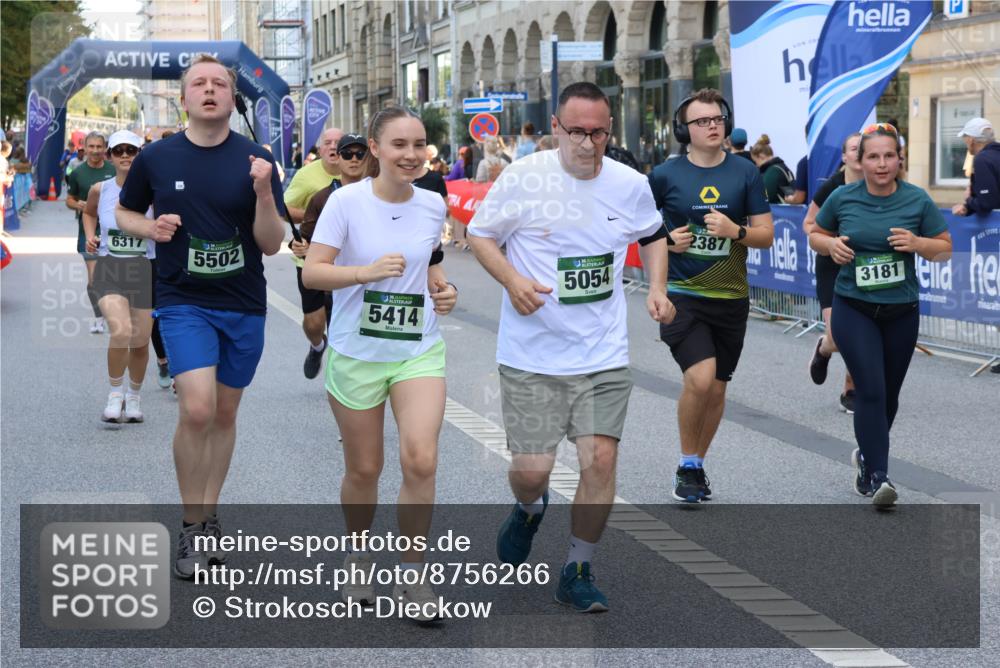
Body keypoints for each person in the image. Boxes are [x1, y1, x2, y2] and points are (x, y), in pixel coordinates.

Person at [467, 82, 674, 612]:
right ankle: (529, 509)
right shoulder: (523, 179)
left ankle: (578, 567)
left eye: (598, 132)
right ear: (556, 127)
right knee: (532, 472)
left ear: (610, 130)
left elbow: (651, 234)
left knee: (600, 460)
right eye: (577, 131)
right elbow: (481, 236)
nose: (587, 142)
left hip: (601, 353)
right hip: (532, 356)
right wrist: (513, 281)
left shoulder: (629, 184)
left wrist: (656, 287)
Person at [116, 54, 286, 577]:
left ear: (233, 98)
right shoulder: (157, 157)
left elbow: (272, 243)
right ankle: (191, 526)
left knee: (225, 415)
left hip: (243, 303)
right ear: (184, 98)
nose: (210, 91)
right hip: (183, 298)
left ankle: (209, 514)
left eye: (220, 84)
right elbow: (125, 212)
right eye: (199, 84)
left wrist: (262, 192)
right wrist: (149, 230)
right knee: (196, 409)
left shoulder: (258, 159)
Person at [302, 106, 458, 622]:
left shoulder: (434, 204)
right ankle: (359, 554)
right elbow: (314, 275)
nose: (411, 155)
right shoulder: (345, 202)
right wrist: (365, 272)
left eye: (419, 145)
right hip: (356, 351)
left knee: (421, 460)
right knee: (364, 468)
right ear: (375, 147)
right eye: (399, 145)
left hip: (416, 349)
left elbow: (430, 267)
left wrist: (443, 290)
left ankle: (413, 574)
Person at [809, 123, 951, 507]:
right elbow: (814, 233)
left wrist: (919, 243)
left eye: (889, 155)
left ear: (899, 159)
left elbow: (944, 249)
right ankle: (879, 477)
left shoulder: (916, 200)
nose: (882, 163)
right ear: (860, 160)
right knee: (869, 388)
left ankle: (867, 457)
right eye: (873, 156)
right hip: (853, 307)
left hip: (901, 311)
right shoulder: (843, 196)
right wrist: (831, 246)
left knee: (888, 396)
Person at [648, 88, 774, 503]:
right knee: (700, 379)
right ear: (683, 130)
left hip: (731, 297)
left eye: (717, 118)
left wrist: (735, 232)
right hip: (683, 294)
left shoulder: (745, 172)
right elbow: (638, 235)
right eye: (702, 121)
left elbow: (766, 235)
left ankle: (695, 466)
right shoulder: (665, 176)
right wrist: (668, 241)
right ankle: (687, 462)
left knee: (717, 389)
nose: (713, 126)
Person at [81, 130, 156, 423]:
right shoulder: (100, 190)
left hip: (144, 268)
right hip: (110, 266)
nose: (125, 155)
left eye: (132, 150)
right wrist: (90, 236)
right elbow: (89, 214)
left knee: (140, 341)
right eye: (119, 150)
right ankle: (115, 395)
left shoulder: (155, 191)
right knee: (121, 332)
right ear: (110, 156)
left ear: (140, 155)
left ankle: (134, 397)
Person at [804, 132, 862, 413]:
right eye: (854, 148)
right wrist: (830, 241)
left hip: (864, 268)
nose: (860, 152)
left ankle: (850, 390)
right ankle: (824, 349)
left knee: (859, 334)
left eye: (866, 148)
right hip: (832, 267)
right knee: (839, 337)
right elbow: (809, 224)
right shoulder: (832, 187)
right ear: (844, 156)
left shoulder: (883, 185)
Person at [284, 127, 345, 378]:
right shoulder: (307, 176)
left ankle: (343, 371)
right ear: (320, 149)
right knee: (314, 323)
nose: (333, 147)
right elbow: (284, 208)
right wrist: (318, 214)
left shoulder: (362, 174)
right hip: (309, 256)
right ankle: (317, 345)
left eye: (338, 143)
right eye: (327, 143)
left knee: (346, 320)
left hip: (346, 261)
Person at [66, 132, 116, 334]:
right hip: (88, 231)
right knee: (94, 280)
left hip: (114, 231)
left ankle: (115, 312)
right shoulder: (78, 173)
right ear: (84, 148)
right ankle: (98, 317)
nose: (95, 151)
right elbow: (69, 199)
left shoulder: (114, 170)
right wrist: (79, 204)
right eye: (91, 147)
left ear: (105, 149)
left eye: (99, 146)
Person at [952, 117, 999, 217]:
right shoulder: (993, 155)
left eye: (964, 137)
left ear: (971, 140)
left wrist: (968, 199)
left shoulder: (982, 159)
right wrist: (968, 208)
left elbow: (988, 203)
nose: (964, 142)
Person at [750, 135, 795, 204]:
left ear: (761, 156)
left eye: (755, 161)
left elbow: (764, 198)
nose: (756, 165)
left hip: (776, 213)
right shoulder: (783, 167)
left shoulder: (772, 173)